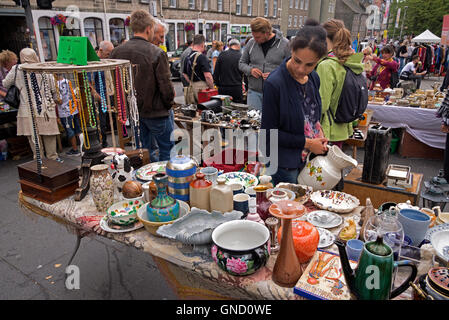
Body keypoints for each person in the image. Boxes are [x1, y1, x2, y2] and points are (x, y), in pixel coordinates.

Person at [261, 19, 329, 186]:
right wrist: (307, 143)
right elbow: (268, 134)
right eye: (297, 60)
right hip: (283, 163)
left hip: (307, 159)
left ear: (319, 60)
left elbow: (311, 115)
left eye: (309, 65)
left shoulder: (313, 78)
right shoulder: (274, 83)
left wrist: (318, 133)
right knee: (289, 207)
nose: (301, 69)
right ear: (291, 50)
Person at [110, 9, 175, 162]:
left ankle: (148, 182)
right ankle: (163, 183)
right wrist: (168, 104)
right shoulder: (156, 53)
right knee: (167, 150)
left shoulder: (116, 52)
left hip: (135, 114)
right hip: (157, 113)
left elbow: (114, 85)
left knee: (145, 152)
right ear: (148, 29)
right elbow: (166, 88)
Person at [3, 48, 62, 162]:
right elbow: (54, 88)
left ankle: (40, 164)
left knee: (35, 143)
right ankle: (53, 162)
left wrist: (20, 84)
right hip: (46, 110)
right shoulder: (43, 68)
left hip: (27, 110)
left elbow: (5, 83)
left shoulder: (17, 69)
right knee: (50, 138)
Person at [316, 19, 364, 148]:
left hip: (325, 130)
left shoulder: (327, 65)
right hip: (342, 127)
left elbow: (322, 105)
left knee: (319, 167)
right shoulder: (351, 62)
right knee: (335, 166)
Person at [239, 17, 290, 111]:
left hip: (276, 93)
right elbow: (241, 63)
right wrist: (251, 70)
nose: (255, 39)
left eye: (258, 37)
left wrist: (275, 75)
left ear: (267, 33)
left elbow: (292, 69)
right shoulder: (251, 43)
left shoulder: (285, 44)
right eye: (253, 36)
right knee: (253, 123)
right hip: (254, 92)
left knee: (272, 124)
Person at [90, 40, 114, 147]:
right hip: (97, 100)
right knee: (100, 125)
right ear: (100, 50)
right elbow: (90, 85)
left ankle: (103, 144)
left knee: (104, 125)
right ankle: (102, 146)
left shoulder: (103, 62)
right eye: (108, 54)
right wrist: (101, 99)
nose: (109, 56)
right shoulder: (93, 64)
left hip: (104, 97)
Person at [183, 34, 214, 104]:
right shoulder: (202, 57)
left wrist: (191, 81)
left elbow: (184, 74)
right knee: (203, 110)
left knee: (194, 110)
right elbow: (208, 76)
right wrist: (212, 87)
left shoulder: (187, 57)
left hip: (191, 87)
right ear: (202, 44)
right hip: (202, 88)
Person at [54, 74, 81, 156]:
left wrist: (54, 100)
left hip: (64, 111)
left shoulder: (56, 85)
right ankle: (82, 147)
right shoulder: (67, 81)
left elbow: (60, 100)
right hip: (73, 109)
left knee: (70, 131)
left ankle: (75, 149)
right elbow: (73, 95)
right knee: (77, 129)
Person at [213, 39, 244, 103]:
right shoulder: (241, 56)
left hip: (223, 87)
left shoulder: (222, 54)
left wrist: (217, 84)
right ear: (238, 46)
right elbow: (244, 72)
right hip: (236, 87)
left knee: (223, 108)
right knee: (237, 109)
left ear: (229, 46)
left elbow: (216, 71)